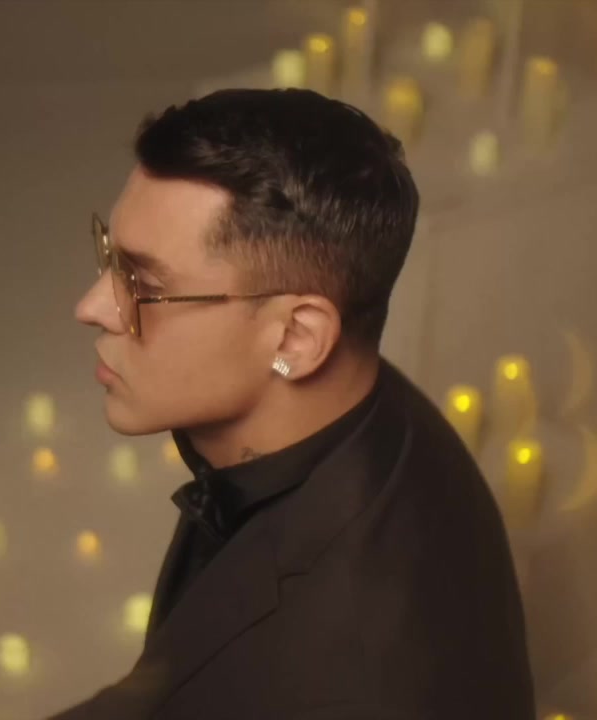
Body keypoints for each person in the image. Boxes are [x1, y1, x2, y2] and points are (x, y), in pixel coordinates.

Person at [54, 88, 535, 720]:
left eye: (142, 284)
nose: (91, 307)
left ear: (296, 339)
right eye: (109, 258)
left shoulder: (321, 678)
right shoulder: (368, 403)